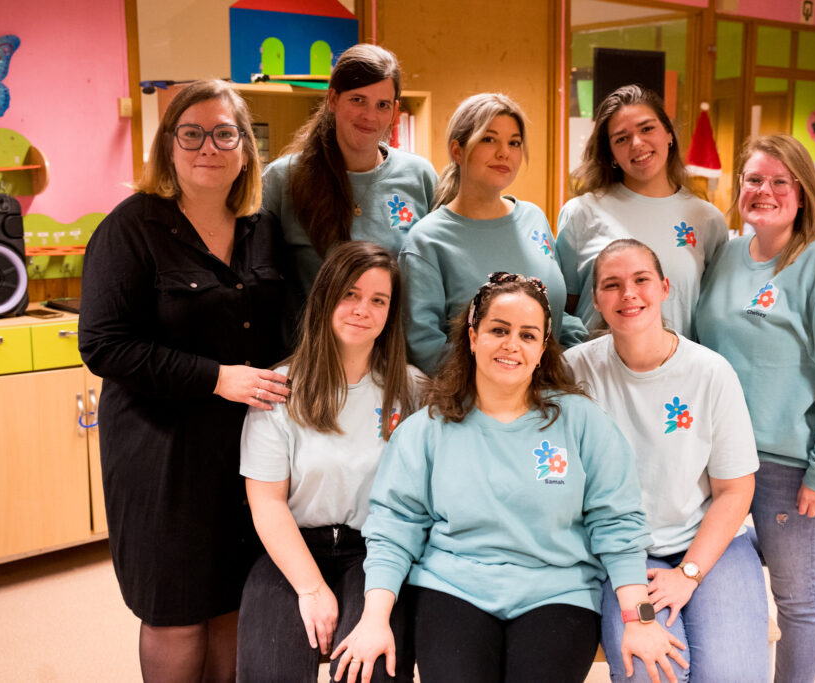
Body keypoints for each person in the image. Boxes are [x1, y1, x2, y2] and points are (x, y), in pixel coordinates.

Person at [331, 272, 687, 683]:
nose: (511, 345)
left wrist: (640, 620)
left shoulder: (583, 423)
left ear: (542, 349)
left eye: (527, 335)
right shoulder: (427, 428)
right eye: (498, 330)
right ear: (472, 337)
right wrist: (374, 619)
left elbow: (618, 525)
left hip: (559, 592)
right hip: (453, 587)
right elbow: (395, 528)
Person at [79, 79, 295, 681]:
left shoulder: (260, 226)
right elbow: (103, 345)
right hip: (161, 451)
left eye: (225, 134)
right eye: (192, 133)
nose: (209, 147)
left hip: (246, 446)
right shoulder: (131, 228)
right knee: (175, 611)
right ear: (168, 146)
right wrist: (216, 378)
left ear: (245, 147)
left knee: (231, 599)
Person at [695, 134, 815, 683]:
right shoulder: (726, 255)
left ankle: (807, 555)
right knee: (712, 560)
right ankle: (809, 548)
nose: (766, 191)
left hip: (791, 464)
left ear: (803, 195)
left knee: (797, 598)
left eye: (781, 181)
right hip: (720, 455)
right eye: (754, 179)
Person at [564, 239, 768, 683]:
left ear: (664, 287)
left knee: (731, 677)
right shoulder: (573, 373)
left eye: (641, 280)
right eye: (612, 285)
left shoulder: (711, 373)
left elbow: (735, 490)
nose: (628, 294)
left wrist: (688, 574)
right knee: (652, 672)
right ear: (596, 299)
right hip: (625, 555)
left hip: (709, 541)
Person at [237, 241, 423, 681]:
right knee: (269, 672)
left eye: (378, 300)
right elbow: (267, 503)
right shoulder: (279, 387)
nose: (363, 309)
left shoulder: (413, 390)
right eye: (350, 294)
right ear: (324, 298)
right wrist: (311, 589)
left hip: (377, 551)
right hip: (294, 546)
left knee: (370, 670)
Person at [399, 93, 586, 375]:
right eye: (489, 139)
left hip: (550, 390)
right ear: (457, 151)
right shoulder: (427, 241)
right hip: (474, 397)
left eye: (514, 143)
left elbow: (560, 313)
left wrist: (572, 365)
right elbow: (425, 348)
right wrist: (507, 385)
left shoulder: (534, 218)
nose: (504, 153)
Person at [263, 43, 437, 295]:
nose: (370, 116)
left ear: (395, 111)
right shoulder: (282, 179)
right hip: (307, 323)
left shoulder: (420, 176)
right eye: (358, 100)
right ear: (333, 99)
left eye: (382, 105)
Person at [556, 85, 727, 337]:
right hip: (593, 360)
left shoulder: (707, 220)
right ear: (611, 154)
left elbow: (713, 317)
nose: (637, 143)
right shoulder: (581, 213)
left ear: (669, 134)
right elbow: (562, 310)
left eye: (647, 129)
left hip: (677, 361)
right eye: (621, 139)